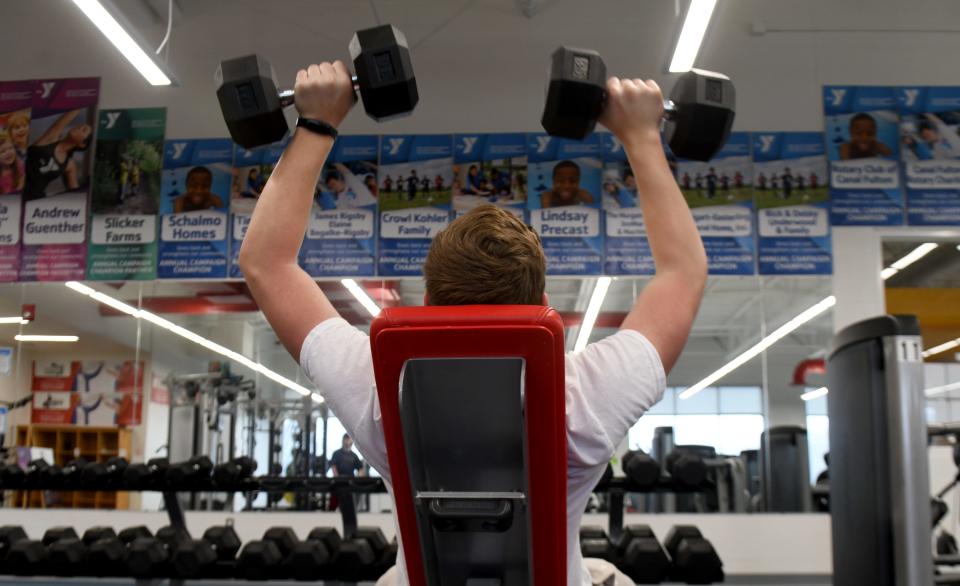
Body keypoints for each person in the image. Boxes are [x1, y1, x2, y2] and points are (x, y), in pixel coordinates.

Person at [238, 62, 707, 586]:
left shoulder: (377, 388)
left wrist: (316, 124)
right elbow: (683, 272)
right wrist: (642, 135)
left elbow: (266, 262)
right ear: (542, 305)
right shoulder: (590, 395)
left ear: (432, 305)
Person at [22, 109, 93, 201]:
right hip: (12, 189)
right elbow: (69, 115)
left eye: (83, 130)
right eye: (80, 126)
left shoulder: (69, 165)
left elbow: (74, 193)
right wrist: (83, 97)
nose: (79, 127)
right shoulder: (51, 138)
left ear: (82, 144)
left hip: (32, 201)